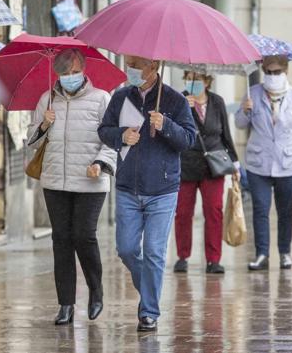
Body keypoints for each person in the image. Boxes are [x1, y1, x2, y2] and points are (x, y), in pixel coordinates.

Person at [98, 55, 195, 332]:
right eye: (129, 63)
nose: (131, 69)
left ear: (154, 66)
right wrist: (120, 136)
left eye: (137, 64)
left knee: (154, 251)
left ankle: (149, 311)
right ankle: (151, 290)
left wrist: (166, 125)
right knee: (127, 249)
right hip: (128, 186)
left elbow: (188, 139)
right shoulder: (120, 97)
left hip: (163, 189)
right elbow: (103, 131)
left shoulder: (175, 100)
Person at [26, 48, 117, 325]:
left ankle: (96, 290)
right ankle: (65, 303)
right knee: (61, 240)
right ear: (57, 74)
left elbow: (112, 140)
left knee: (83, 235)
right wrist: (44, 124)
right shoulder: (47, 99)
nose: (70, 77)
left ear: (84, 70)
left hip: (90, 180)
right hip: (55, 181)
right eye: (65, 73)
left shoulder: (102, 99)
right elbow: (31, 139)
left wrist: (100, 164)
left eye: (74, 72)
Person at [234, 55, 292, 271]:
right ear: (263, 72)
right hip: (258, 163)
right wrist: (245, 110)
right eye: (268, 72)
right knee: (260, 209)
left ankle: (284, 252)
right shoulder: (253, 93)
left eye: (277, 72)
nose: (273, 76)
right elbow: (239, 124)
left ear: (286, 71)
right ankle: (262, 254)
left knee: (284, 210)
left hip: (288, 164)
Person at [173, 71, 240, 274]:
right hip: (187, 164)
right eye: (188, 78)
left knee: (214, 211)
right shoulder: (180, 100)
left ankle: (213, 259)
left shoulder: (217, 102)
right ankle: (182, 256)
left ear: (207, 82)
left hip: (214, 165)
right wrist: (185, 109)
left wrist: (235, 163)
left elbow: (225, 133)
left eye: (197, 80)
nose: (192, 83)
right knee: (183, 212)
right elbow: (174, 132)